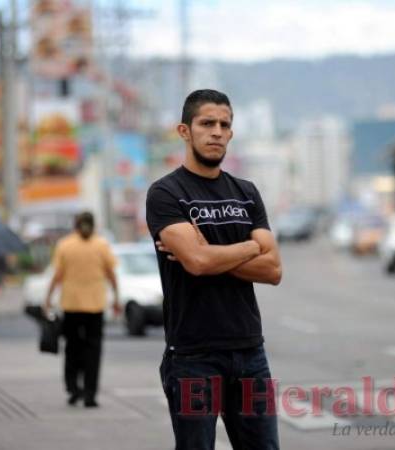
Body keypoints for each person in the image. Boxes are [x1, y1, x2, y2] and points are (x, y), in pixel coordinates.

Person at [146, 89, 283, 450]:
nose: (217, 131)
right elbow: (196, 262)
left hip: (250, 352)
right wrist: (250, 248)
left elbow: (272, 270)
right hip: (193, 357)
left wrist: (213, 253)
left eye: (225, 124)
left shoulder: (247, 192)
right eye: (207, 123)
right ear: (184, 131)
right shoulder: (166, 194)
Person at [44, 212, 121, 408]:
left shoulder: (65, 245)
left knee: (72, 349)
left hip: (71, 305)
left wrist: (48, 299)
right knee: (93, 351)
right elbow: (111, 274)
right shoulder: (101, 245)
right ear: (93, 225)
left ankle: (73, 389)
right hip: (95, 306)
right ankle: (90, 394)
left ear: (75, 225)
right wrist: (117, 299)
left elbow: (58, 275)